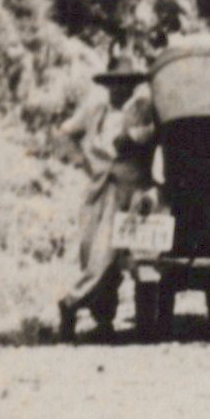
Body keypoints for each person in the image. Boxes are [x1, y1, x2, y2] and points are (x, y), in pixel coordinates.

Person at [55, 50, 160, 341]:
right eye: (115, 83)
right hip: (101, 189)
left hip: (135, 189)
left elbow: (149, 135)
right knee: (94, 253)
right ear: (108, 84)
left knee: (137, 256)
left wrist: (133, 137)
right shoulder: (95, 109)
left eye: (125, 83)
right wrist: (83, 161)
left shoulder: (142, 107)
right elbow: (65, 132)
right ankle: (100, 319)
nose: (119, 89)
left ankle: (73, 303)